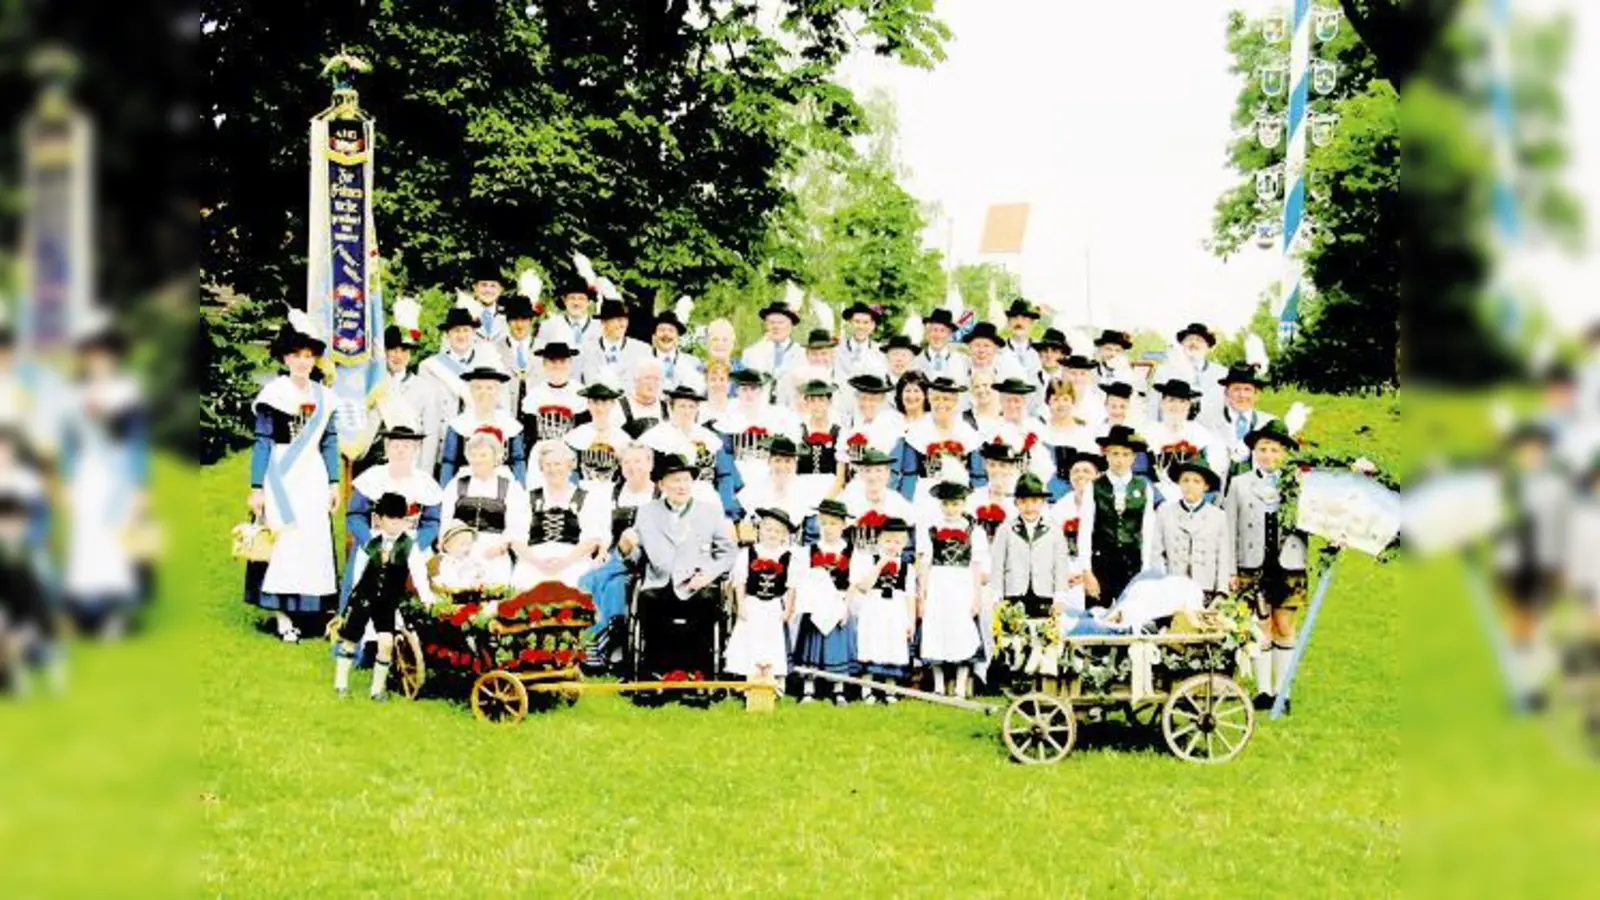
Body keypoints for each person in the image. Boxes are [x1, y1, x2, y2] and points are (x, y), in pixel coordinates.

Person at [244, 315, 340, 642]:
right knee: (283, 539)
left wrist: (334, 482)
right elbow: (263, 442)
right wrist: (257, 487)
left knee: (312, 539)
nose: (302, 362)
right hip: (280, 476)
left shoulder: (325, 397)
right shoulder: (274, 394)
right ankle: (281, 615)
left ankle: (310, 609)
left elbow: (329, 441)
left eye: (308, 356)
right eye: (296, 355)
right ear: (286, 359)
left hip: (313, 475)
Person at [60, 321, 151, 636]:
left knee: (116, 542)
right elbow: (68, 443)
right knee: (86, 540)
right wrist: (67, 481)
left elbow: (137, 442)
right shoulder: (74, 394)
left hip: (119, 474)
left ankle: (113, 613)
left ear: (114, 357)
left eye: (105, 355)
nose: (99, 361)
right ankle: (86, 611)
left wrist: (140, 485)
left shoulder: (127, 391)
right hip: (87, 474)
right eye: (93, 355)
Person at [616, 453, 738, 681]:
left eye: (686, 480)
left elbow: (728, 552)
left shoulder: (709, 511)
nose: (681, 486)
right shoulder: (647, 512)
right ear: (661, 485)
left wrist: (709, 574)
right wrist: (625, 548)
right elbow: (637, 559)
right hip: (659, 580)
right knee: (650, 602)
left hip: (697, 581)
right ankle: (655, 673)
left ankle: (698, 673)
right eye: (675, 480)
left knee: (705, 604)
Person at [1225, 419, 1310, 713]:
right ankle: (1263, 691)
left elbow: (1317, 519)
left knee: (1284, 625)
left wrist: (1336, 536)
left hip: (1289, 564)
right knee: (1260, 626)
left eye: (1275, 450)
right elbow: (1229, 529)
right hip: (1253, 565)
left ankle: (1282, 690)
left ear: (1284, 453)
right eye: (1263, 449)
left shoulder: (1298, 484)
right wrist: (1231, 570)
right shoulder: (1239, 484)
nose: (1268, 455)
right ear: (1254, 452)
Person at [1488, 422, 1570, 712]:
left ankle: (1533, 682)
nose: (1530, 454)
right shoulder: (1511, 481)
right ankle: (1526, 686)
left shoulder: (1556, 481)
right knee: (1522, 623)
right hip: (1515, 561)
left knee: (1538, 621)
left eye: (1535, 449)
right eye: (1525, 450)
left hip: (1547, 560)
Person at [332, 492, 434, 701]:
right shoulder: (370, 543)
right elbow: (358, 572)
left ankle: (377, 689)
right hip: (364, 597)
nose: (395, 524)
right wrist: (351, 600)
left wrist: (426, 597)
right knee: (350, 639)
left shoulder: (409, 546)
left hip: (387, 602)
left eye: (400, 519)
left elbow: (419, 574)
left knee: (386, 642)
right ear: (378, 519)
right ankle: (341, 684)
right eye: (390, 519)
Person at [577, 444, 658, 670]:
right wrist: (603, 549)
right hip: (617, 555)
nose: (632, 467)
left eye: (638, 461)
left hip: (648, 558)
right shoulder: (611, 494)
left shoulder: (659, 494)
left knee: (599, 581)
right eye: (627, 462)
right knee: (604, 582)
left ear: (650, 464)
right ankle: (604, 644)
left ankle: (599, 643)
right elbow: (604, 529)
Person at [343, 425, 443, 607]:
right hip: (374, 539)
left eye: (406, 446)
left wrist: (414, 545)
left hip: (413, 541)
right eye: (395, 446)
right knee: (361, 577)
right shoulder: (371, 477)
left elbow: (432, 521)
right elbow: (355, 515)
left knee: (426, 580)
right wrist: (370, 542)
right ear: (387, 449)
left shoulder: (425, 482)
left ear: (415, 450)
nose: (400, 451)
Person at [917, 481, 987, 699]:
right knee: (936, 628)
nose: (950, 509)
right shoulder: (932, 528)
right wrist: (923, 594)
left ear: (963, 504)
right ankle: (938, 685)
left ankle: (960, 686)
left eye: (955, 504)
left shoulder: (974, 530)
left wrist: (976, 597)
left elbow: (976, 566)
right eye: (946, 504)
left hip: (962, 583)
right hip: (938, 582)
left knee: (961, 629)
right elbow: (925, 563)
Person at [437, 429, 529, 590]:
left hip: (493, 549)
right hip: (459, 550)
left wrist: (502, 545)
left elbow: (517, 524)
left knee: (492, 595)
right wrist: (448, 544)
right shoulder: (456, 484)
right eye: (473, 455)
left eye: (483, 455)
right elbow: (446, 520)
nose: (478, 460)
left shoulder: (510, 487)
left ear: (496, 457)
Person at [417, 305, 503, 474]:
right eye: (456, 331)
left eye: (465, 330)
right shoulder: (430, 367)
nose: (461, 335)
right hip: (444, 444)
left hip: (480, 443)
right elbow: (427, 412)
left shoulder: (489, 363)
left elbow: (499, 405)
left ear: (473, 333)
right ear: (447, 334)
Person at [511, 441, 607, 590]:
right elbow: (516, 539)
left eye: (558, 464)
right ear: (541, 468)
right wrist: (538, 563)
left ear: (569, 466)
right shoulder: (527, 498)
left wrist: (565, 562)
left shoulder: (586, 498)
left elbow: (592, 539)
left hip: (574, 559)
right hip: (534, 560)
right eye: (548, 465)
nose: (553, 469)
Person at [724, 508, 798, 684]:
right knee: (751, 639)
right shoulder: (748, 553)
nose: (772, 534)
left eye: (777, 531)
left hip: (773, 606)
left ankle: (773, 680)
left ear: (784, 535)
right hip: (753, 603)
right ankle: (749, 679)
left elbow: (791, 586)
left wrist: (788, 608)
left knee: (772, 642)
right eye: (768, 529)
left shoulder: (788, 557)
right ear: (759, 530)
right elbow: (740, 581)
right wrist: (741, 605)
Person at [793, 499, 856, 704]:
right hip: (816, 603)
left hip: (839, 602)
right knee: (812, 645)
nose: (828, 528)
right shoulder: (809, 551)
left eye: (833, 524)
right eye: (824, 523)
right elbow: (802, 579)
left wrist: (845, 607)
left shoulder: (851, 551)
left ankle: (838, 688)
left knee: (837, 646)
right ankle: (808, 688)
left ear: (843, 525)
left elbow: (853, 583)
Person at [847, 517, 915, 704]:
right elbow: (863, 587)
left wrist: (911, 621)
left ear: (904, 544)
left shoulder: (907, 568)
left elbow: (910, 596)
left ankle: (889, 690)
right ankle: (866, 690)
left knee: (893, 645)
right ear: (879, 540)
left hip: (896, 610)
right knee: (871, 644)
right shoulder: (871, 561)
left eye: (897, 542)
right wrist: (879, 565)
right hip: (874, 608)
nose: (892, 545)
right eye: (888, 540)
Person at [1088, 425, 1156, 609]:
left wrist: (1145, 569)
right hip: (1101, 562)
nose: (1120, 460)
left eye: (1126, 455)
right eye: (1115, 454)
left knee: (1130, 612)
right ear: (1106, 455)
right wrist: (1086, 570)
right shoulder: (1094, 487)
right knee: (1097, 613)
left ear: (1133, 458)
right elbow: (1086, 530)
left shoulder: (1143, 487)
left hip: (1132, 563)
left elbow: (1147, 530)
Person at [0, 491, 61, 696]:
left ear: (23, 524)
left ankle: (14, 681)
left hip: (32, 624)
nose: (8, 529)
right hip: (8, 622)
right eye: (4, 522)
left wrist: (24, 631)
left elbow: (40, 605)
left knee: (13, 642)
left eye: (13, 522)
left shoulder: (33, 558)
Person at [353, 322, 431, 478]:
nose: (398, 356)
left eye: (404, 350)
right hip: (367, 462)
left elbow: (428, 436)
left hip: (406, 464)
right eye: (393, 349)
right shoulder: (369, 383)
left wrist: (423, 474)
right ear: (385, 352)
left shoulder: (423, 389)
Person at [1150, 462, 1234, 603]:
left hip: (1206, 588)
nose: (1190, 485)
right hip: (1173, 587)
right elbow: (1156, 552)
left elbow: (1223, 556)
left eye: (1196, 481)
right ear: (1179, 483)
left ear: (1206, 486)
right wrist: (1162, 583)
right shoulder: (1165, 513)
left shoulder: (1218, 516)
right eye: (1185, 480)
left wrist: (1221, 591)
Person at [639, 384, 731, 513]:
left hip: (706, 496)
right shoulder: (656, 435)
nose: (687, 411)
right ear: (671, 407)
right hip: (671, 495)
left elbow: (722, 473)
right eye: (682, 406)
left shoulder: (707, 436)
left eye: (691, 406)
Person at [896, 376, 985, 505]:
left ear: (955, 401)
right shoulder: (915, 433)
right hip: (925, 499)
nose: (941, 404)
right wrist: (906, 506)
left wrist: (978, 505)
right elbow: (909, 476)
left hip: (960, 501)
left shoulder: (969, 434)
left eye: (946, 399)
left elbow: (978, 477)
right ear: (929, 399)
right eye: (936, 398)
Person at [438, 366, 526, 487]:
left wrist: (520, 489)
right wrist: (446, 490)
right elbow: (449, 462)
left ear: (497, 391)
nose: (484, 392)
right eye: (478, 388)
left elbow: (518, 461)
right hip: (466, 482)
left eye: (489, 388)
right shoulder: (458, 424)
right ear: (471, 391)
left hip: (503, 483)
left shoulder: (510, 424)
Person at [1144, 378, 1227, 503]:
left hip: (1192, 498)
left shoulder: (1201, 434)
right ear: (1162, 403)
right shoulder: (1149, 433)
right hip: (1156, 498)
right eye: (1171, 400)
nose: (1176, 406)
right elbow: (1141, 475)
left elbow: (1211, 477)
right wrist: (1157, 500)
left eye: (1182, 401)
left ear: (1188, 405)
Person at [714, 369, 800, 488]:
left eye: (753, 389)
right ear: (737, 391)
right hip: (737, 479)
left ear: (761, 391)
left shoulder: (778, 416)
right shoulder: (727, 418)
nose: (749, 394)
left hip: (771, 479)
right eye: (744, 389)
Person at [1201, 364, 1278, 471]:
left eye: (1247, 389)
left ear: (1256, 395)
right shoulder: (1208, 422)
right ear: (1226, 393)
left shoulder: (1269, 423)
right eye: (1236, 389)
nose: (1242, 395)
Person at [838, 449, 915, 552]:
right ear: (860, 473)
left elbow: (911, 526)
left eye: (878, 470)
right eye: (867, 471)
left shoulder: (898, 502)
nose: (873, 476)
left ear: (887, 473)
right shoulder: (850, 498)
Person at [735, 436, 811, 542]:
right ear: (769, 462)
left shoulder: (805, 490)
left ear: (795, 464)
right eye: (777, 460)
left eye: (788, 461)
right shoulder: (754, 489)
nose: (782, 466)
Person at [1054, 451, 1102, 615]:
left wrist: (1087, 574)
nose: (1080, 475)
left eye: (1086, 471)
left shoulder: (1106, 505)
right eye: (1075, 471)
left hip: (1099, 575)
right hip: (1068, 576)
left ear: (1098, 476)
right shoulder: (1059, 508)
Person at [1149, 322, 1226, 421]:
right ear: (1182, 344)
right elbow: (1153, 405)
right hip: (1171, 427)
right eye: (1189, 339)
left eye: (1199, 340)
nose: (1193, 343)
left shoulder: (1221, 373)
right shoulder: (1165, 371)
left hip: (1210, 428)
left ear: (1208, 347)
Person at [565, 382, 632, 491]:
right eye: (595, 402)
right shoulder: (575, 435)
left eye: (604, 402)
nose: (600, 408)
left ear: (613, 404)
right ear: (588, 404)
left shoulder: (622, 437)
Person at [1041, 381, 1096, 501]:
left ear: (1072, 401)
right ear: (1048, 401)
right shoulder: (1040, 430)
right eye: (1056, 399)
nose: (1061, 404)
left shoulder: (1084, 432)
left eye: (1065, 399)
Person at [521, 342, 584, 445]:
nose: (558, 366)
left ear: (570, 363)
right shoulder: (534, 394)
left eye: (563, 361)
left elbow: (582, 435)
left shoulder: (580, 394)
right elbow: (530, 436)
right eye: (553, 361)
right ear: (544, 364)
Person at [583, 299, 652, 389]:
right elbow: (589, 382)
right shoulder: (588, 350)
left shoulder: (642, 350)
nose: (623, 324)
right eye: (618, 320)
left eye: (625, 320)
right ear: (604, 322)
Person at [794, 379, 844, 499]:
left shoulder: (839, 433)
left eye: (821, 400)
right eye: (812, 400)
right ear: (806, 403)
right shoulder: (798, 431)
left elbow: (840, 478)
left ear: (829, 402)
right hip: (802, 489)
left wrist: (827, 501)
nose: (816, 405)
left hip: (831, 490)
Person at [492, 293, 540, 414]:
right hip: (506, 415)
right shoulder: (495, 349)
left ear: (531, 320)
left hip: (537, 415)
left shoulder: (543, 348)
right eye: (514, 319)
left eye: (524, 319)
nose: (519, 325)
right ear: (507, 321)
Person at [741, 300, 803, 389]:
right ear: (766, 325)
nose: (776, 326)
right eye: (771, 322)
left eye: (781, 322)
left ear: (791, 325)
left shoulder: (802, 354)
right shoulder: (751, 353)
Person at [534, 276, 597, 353]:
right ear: (564, 300)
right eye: (572, 298)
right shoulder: (549, 325)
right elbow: (537, 355)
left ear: (589, 302)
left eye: (581, 298)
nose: (576, 303)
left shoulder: (599, 328)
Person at [834, 302, 888, 391]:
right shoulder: (836, 350)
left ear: (872, 325)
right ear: (850, 323)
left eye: (866, 322)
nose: (861, 326)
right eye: (857, 321)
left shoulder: (881, 352)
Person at [650, 310, 702, 391]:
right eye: (662, 330)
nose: (666, 334)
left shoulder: (693, 363)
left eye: (671, 331)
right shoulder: (642, 360)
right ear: (654, 336)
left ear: (678, 337)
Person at [618, 358, 668, 440]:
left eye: (656, 379)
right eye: (647, 378)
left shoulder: (668, 409)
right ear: (635, 380)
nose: (652, 383)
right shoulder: (618, 407)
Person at [915, 309, 969, 383]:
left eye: (942, 331)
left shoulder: (962, 361)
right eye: (934, 330)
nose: (938, 335)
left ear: (950, 334)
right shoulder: (915, 361)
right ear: (928, 333)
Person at [963, 321, 1024, 386]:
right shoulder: (961, 364)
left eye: (986, 346)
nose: (981, 350)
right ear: (969, 347)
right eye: (977, 345)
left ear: (996, 348)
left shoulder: (1010, 365)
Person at [1003, 299, 1041, 381]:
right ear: (1008, 322)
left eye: (1024, 318)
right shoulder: (999, 350)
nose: (1019, 322)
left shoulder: (1041, 351)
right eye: (1015, 317)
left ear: (1031, 323)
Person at [468, 265, 508, 342]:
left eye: (493, 286)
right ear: (475, 287)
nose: (488, 290)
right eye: (484, 285)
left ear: (501, 289)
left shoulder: (509, 316)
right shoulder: (464, 315)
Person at [964, 370, 1003, 435]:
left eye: (985, 385)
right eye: (976, 387)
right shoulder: (964, 419)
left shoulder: (1007, 416)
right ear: (972, 391)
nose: (981, 390)